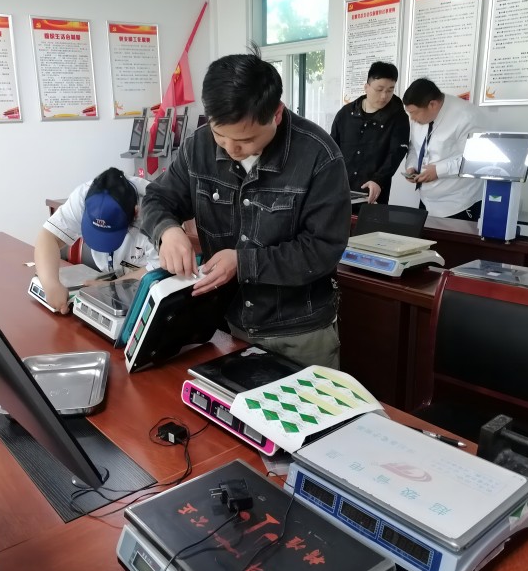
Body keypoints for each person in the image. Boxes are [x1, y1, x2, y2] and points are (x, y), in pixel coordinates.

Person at [140, 48, 351, 369]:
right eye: (220, 135)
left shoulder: (319, 156)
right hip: (227, 324)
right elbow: (156, 199)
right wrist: (167, 231)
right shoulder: (199, 146)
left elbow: (323, 249)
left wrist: (243, 263)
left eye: (246, 140)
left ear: (276, 114)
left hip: (298, 331)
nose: (231, 149)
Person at [34, 167, 159, 314]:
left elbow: (159, 267)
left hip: (147, 288)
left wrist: (110, 286)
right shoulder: (82, 198)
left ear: (135, 214)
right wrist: (51, 285)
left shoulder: (156, 210)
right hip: (113, 276)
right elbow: (48, 236)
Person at [402, 78, 484, 219]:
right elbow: (415, 147)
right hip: (426, 200)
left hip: (459, 203)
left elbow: (477, 159)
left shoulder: (467, 117)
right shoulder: (420, 116)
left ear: (432, 104)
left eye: (414, 113)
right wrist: (412, 166)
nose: (412, 118)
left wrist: (439, 171)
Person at [330, 61, 410, 204]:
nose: (384, 96)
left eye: (390, 90)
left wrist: (378, 180)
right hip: (342, 189)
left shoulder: (398, 117)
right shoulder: (346, 113)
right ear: (366, 87)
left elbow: (396, 153)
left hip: (374, 192)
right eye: (379, 89)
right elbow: (332, 149)